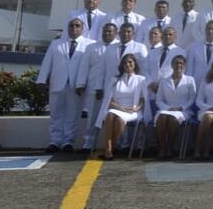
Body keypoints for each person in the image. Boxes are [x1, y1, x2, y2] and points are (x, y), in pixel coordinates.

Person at [37, 18, 94, 153]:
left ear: (82, 28)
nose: (74, 28)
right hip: (57, 83)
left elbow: (91, 67)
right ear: (67, 28)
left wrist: (85, 82)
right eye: (71, 25)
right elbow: (47, 62)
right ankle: (54, 141)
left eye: (77, 26)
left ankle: (68, 141)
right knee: (56, 114)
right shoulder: (56, 44)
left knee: (73, 114)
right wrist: (41, 80)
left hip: (76, 85)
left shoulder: (89, 45)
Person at [94, 53, 151, 160]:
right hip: (117, 108)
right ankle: (108, 149)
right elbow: (109, 101)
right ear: (122, 65)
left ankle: (112, 146)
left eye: (130, 62)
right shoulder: (115, 80)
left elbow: (143, 99)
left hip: (133, 111)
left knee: (119, 121)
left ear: (135, 64)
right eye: (125, 62)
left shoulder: (141, 79)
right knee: (110, 115)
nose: (127, 64)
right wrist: (122, 108)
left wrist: (136, 108)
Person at [81, 23, 120, 151]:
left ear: (115, 33)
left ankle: (116, 145)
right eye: (105, 31)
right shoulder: (91, 47)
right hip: (96, 87)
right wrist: (81, 83)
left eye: (110, 31)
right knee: (92, 118)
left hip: (116, 90)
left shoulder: (119, 46)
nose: (107, 33)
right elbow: (84, 66)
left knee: (115, 117)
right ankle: (88, 144)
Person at [154, 54, 196, 160]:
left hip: (183, 111)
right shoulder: (164, 81)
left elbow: (192, 99)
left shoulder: (190, 80)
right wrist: (168, 108)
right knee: (162, 117)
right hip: (166, 109)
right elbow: (159, 100)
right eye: (176, 63)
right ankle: (163, 148)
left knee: (173, 119)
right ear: (172, 65)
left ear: (185, 66)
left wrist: (182, 108)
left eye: (181, 63)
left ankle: (170, 146)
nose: (179, 65)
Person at [186, 20, 213, 84]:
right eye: (208, 29)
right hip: (197, 82)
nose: (210, 31)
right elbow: (189, 68)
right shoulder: (194, 46)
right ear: (205, 30)